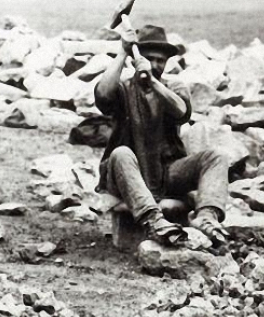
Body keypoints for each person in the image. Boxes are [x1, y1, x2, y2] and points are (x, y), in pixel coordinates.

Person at [95, 24, 229, 246]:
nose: (155, 64)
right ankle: (154, 221)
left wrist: (153, 82)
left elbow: (182, 112)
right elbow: (102, 95)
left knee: (217, 156)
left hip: (167, 173)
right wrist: (123, 52)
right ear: (136, 59)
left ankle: (206, 217)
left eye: (160, 60)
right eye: (150, 58)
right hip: (126, 174)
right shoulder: (125, 87)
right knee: (120, 153)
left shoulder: (173, 87)